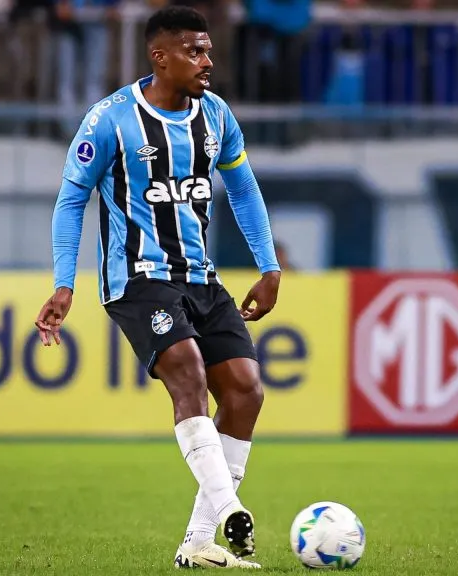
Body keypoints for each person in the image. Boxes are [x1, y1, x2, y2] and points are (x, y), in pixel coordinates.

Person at [33, 6, 281, 570]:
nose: (207, 61)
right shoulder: (110, 120)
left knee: (245, 391)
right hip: (138, 278)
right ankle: (230, 511)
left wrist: (269, 269)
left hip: (202, 278)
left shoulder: (216, 116)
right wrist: (64, 284)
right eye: (195, 51)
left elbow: (243, 190)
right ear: (159, 56)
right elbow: (73, 199)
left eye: (209, 50)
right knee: (189, 372)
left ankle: (198, 542)